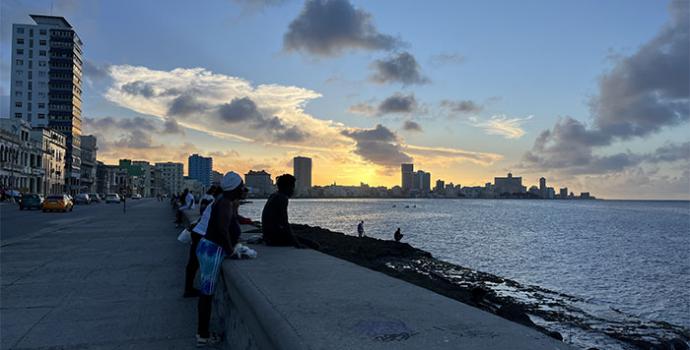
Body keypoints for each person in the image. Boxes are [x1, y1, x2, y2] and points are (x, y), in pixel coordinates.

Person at [195, 172, 247, 347]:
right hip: (212, 251)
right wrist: (230, 251)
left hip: (208, 248)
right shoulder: (225, 203)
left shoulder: (224, 202)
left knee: (205, 293)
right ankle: (203, 335)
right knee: (206, 295)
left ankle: (202, 332)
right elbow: (223, 230)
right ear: (234, 188)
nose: (243, 189)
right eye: (241, 186)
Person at [183, 185, 223, 298]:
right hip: (202, 234)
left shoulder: (213, 202)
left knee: (192, 263)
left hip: (197, 232)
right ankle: (191, 290)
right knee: (196, 264)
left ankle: (188, 288)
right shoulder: (217, 203)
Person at [261, 174, 302, 247]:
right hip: (274, 239)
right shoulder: (282, 198)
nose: (293, 190)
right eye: (293, 187)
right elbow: (284, 222)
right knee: (312, 244)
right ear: (288, 187)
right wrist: (297, 244)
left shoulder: (274, 195)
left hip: (268, 236)